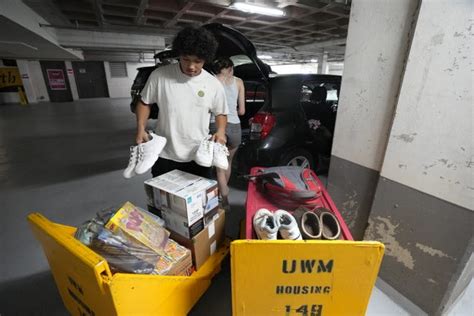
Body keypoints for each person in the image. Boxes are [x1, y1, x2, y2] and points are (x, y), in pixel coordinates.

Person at [135, 26, 228, 178]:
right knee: (163, 200)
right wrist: (140, 128)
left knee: (200, 200)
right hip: (164, 153)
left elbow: (221, 112)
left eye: (198, 61)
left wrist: (221, 131)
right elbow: (145, 103)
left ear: (206, 58)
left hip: (199, 155)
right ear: (179, 55)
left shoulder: (213, 84)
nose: (191, 66)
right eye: (186, 59)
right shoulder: (160, 75)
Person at [210, 57, 245, 207]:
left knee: (219, 167)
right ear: (230, 68)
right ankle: (224, 193)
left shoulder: (212, 80)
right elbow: (242, 111)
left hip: (216, 125)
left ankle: (224, 199)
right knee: (228, 162)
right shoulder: (239, 82)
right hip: (235, 126)